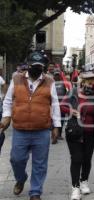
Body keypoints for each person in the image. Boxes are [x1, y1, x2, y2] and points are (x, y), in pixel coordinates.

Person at [0, 51, 61, 200]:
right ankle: (21, 179)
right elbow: (8, 101)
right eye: (34, 66)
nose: (37, 68)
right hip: (20, 130)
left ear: (43, 67)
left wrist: (56, 126)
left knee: (40, 163)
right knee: (16, 159)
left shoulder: (49, 81)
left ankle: (35, 192)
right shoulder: (17, 79)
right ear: (28, 66)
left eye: (40, 66)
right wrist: (6, 117)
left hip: (42, 130)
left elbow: (55, 105)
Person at [60, 71, 94, 200]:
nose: (91, 82)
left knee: (87, 159)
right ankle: (75, 188)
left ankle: (84, 181)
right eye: (88, 80)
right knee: (76, 159)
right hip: (75, 132)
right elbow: (62, 105)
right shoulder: (74, 91)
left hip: (91, 132)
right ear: (82, 80)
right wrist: (72, 111)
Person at [52, 69, 68, 142]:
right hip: (53, 105)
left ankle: (59, 134)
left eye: (58, 75)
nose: (57, 76)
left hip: (62, 105)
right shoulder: (51, 83)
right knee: (53, 120)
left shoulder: (64, 84)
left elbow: (67, 94)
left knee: (61, 120)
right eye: (56, 75)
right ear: (54, 76)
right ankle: (53, 134)